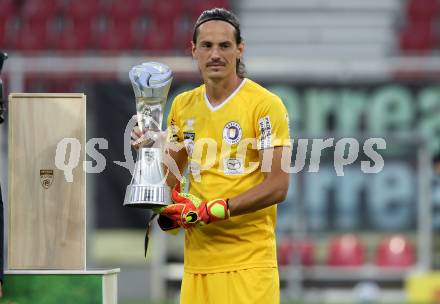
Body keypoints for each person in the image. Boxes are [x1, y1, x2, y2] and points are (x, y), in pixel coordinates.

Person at [132, 8, 291, 304]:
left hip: (249, 265)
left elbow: (278, 185)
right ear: (194, 51)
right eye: (206, 46)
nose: (215, 54)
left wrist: (214, 209)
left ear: (240, 50)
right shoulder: (182, 105)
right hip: (197, 267)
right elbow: (171, 187)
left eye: (224, 46)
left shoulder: (266, 105)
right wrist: (150, 155)